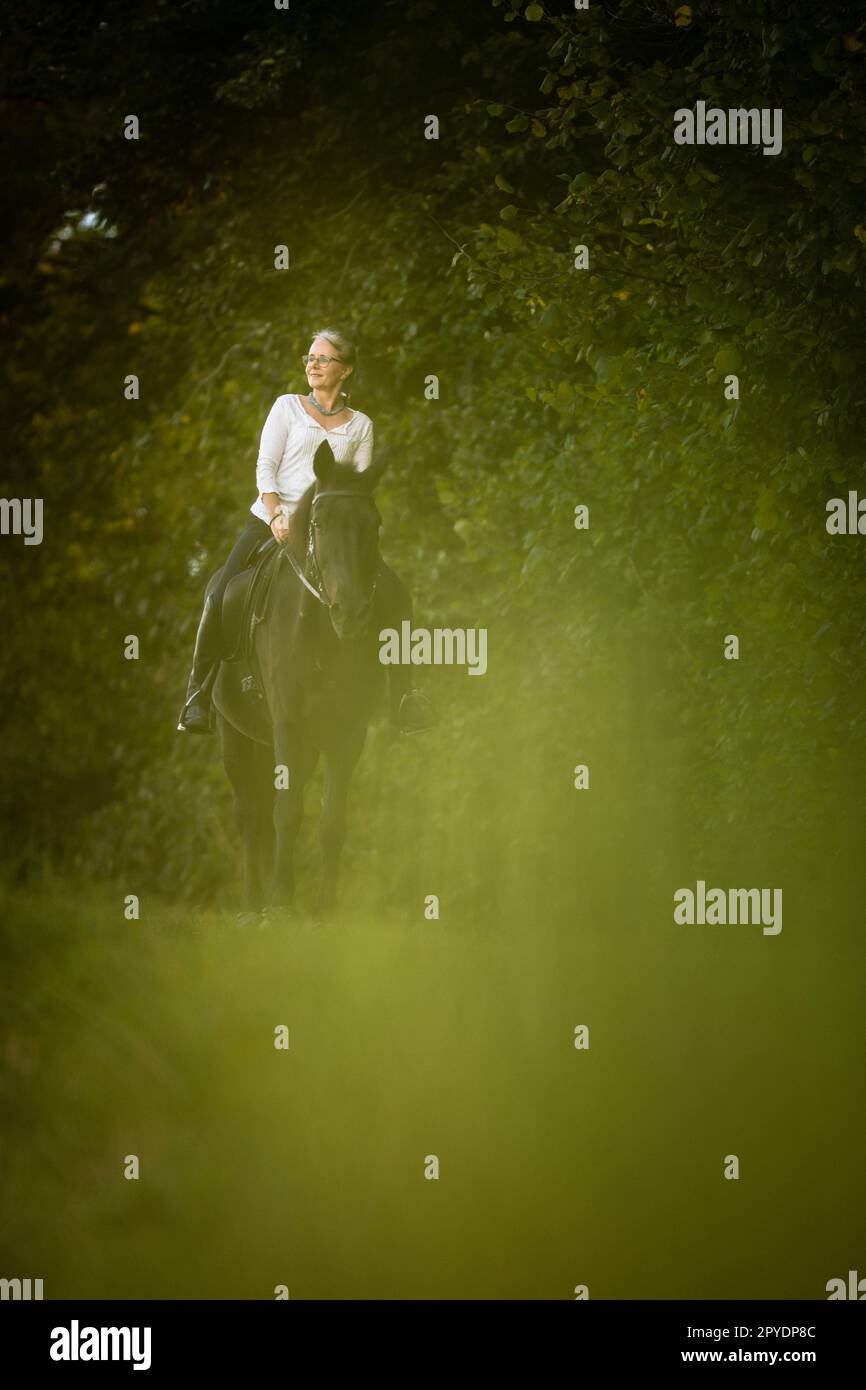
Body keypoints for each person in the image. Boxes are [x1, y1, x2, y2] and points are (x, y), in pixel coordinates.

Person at [176, 328, 433, 734]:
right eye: (309, 358)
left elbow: (359, 484)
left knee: (396, 594)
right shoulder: (286, 408)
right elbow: (265, 466)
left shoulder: (362, 425)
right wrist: (277, 513)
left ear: (345, 370)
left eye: (323, 359)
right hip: (271, 522)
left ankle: (406, 699)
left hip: (332, 531)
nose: (312, 365)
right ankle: (198, 693)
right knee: (220, 590)